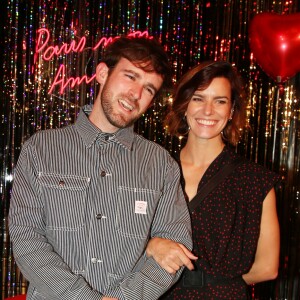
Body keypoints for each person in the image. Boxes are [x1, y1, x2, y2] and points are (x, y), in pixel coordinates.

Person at [8, 36, 194, 300]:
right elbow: (27, 239)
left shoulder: (160, 164)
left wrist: (128, 297)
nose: (136, 94)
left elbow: (175, 248)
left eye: (149, 89)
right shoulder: (41, 150)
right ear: (103, 73)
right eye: (130, 76)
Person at [146, 61, 280, 299]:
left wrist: (214, 286)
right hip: (158, 293)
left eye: (220, 101)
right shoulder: (153, 170)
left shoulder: (254, 180)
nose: (208, 111)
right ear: (184, 105)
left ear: (231, 111)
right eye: (198, 98)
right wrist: (150, 246)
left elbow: (268, 267)